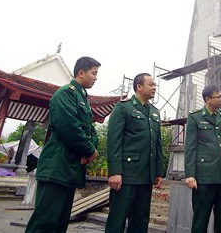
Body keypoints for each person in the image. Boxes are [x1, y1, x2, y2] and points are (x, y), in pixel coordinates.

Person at [25, 56, 101, 233]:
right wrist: (89, 149)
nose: (96, 77)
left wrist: (92, 149)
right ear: (81, 73)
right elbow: (69, 128)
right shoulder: (65, 94)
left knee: (59, 224)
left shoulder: (82, 98)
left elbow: (91, 130)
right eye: (93, 73)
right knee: (45, 223)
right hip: (56, 168)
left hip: (69, 169)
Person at [105, 73, 165, 233]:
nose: (154, 88)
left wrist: (159, 172)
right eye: (151, 84)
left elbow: (157, 144)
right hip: (126, 175)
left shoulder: (154, 112)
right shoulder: (124, 107)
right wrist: (115, 172)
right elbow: (114, 141)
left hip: (146, 176)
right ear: (139, 87)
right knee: (117, 219)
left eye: (155, 85)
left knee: (140, 221)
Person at [185, 84, 221, 233]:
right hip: (204, 177)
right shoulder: (195, 117)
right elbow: (191, 147)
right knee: (201, 219)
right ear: (207, 99)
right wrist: (190, 174)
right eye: (217, 97)